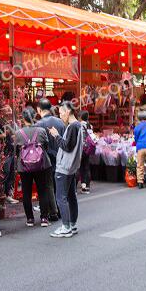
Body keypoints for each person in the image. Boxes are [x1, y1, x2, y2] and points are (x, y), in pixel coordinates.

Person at [47, 102, 83, 238]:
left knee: (61, 198)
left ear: (67, 112)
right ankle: (72, 225)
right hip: (72, 167)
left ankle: (66, 227)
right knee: (71, 196)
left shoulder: (73, 127)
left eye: (61, 113)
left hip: (65, 167)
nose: (61, 116)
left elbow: (66, 146)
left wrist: (56, 135)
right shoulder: (77, 126)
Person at [15, 108, 53, 227]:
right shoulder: (41, 131)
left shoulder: (18, 133)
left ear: (23, 118)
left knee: (26, 192)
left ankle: (30, 219)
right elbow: (46, 146)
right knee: (43, 190)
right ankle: (44, 218)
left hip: (24, 166)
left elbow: (16, 151)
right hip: (41, 165)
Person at [34, 99, 63, 222]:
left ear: (39, 110)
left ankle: (52, 211)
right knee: (59, 184)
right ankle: (61, 209)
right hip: (60, 157)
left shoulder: (38, 124)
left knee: (47, 185)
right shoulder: (61, 122)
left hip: (46, 159)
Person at [0, 105, 19, 204]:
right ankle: (2, 195)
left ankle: (8, 194)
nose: (9, 113)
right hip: (4, 152)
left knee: (12, 173)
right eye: (7, 111)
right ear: (1, 113)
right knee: (6, 172)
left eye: (10, 111)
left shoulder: (11, 123)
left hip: (11, 150)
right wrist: (4, 134)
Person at [78, 111, 93, 194]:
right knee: (86, 167)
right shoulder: (89, 126)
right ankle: (86, 187)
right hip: (87, 149)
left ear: (80, 117)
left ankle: (76, 188)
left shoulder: (79, 125)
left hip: (81, 148)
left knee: (78, 167)